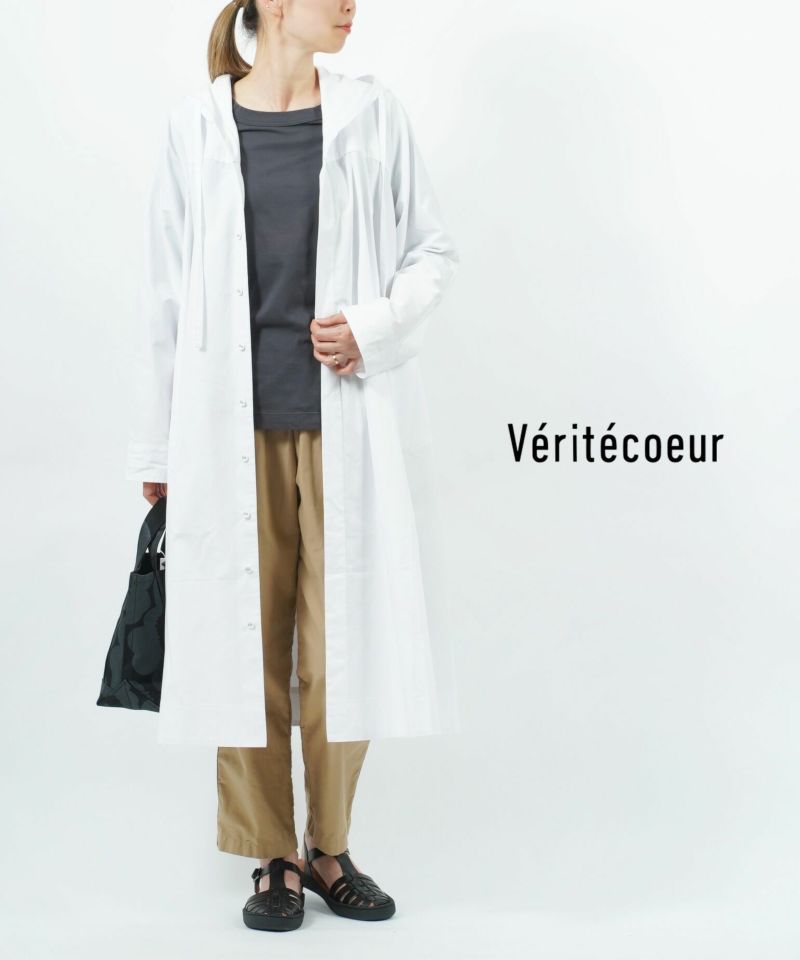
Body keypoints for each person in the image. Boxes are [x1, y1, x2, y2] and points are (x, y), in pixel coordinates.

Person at [131, 0, 459, 934]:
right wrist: (156, 446)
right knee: (242, 647)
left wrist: (373, 327)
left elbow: (432, 252)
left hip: (346, 426)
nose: (352, 5)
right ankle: (271, 852)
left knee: (340, 647)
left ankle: (330, 847)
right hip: (225, 435)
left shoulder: (371, 114)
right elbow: (164, 297)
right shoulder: (196, 128)